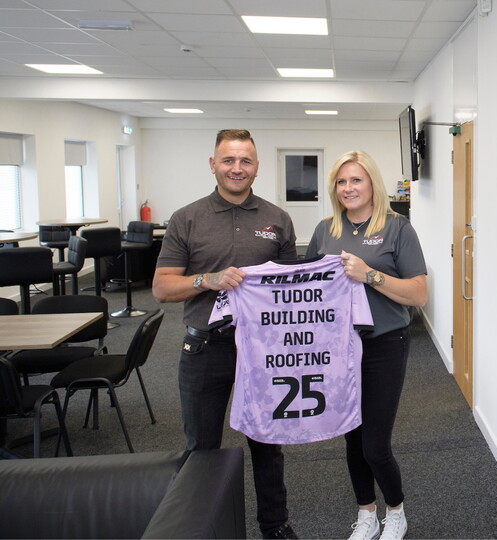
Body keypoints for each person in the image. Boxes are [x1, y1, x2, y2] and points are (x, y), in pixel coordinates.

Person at [153, 129, 298, 539]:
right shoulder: (187, 218)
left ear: (257, 167)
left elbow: (290, 289)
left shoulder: (277, 220)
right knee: (201, 448)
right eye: (229, 160)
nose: (237, 168)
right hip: (206, 347)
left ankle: (275, 525)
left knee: (267, 444)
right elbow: (162, 287)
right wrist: (208, 279)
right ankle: (201, 528)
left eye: (245, 161)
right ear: (213, 164)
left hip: (263, 349)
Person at [305, 150, 428, 540]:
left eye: (356, 180)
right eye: (341, 182)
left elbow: (418, 294)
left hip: (384, 345)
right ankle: (366, 513)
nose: (348, 188)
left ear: (372, 183)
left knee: (375, 444)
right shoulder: (325, 230)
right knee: (352, 437)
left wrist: (369, 274)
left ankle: (396, 511)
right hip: (339, 347)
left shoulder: (398, 228)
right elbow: (309, 289)